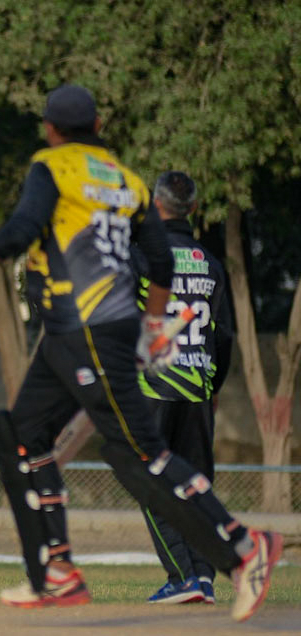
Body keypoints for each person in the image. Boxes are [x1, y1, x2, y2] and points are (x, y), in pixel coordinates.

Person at [0, 84, 281, 622]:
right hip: (78, 333)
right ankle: (55, 570)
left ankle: (245, 549)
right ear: (99, 127)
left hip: (89, 330)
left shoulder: (52, 166)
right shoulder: (126, 180)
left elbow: (21, 231)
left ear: (50, 129)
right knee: (20, 435)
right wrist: (154, 324)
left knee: (139, 457)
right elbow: (159, 259)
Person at [134, 171, 233, 605]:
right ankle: (204, 578)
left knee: (151, 483)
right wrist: (214, 387)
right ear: (192, 209)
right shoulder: (211, 265)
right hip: (198, 392)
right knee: (196, 487)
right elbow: (223, 337)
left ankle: (182, 576)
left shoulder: (141, 257)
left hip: (152, 388)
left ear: (156, 205)